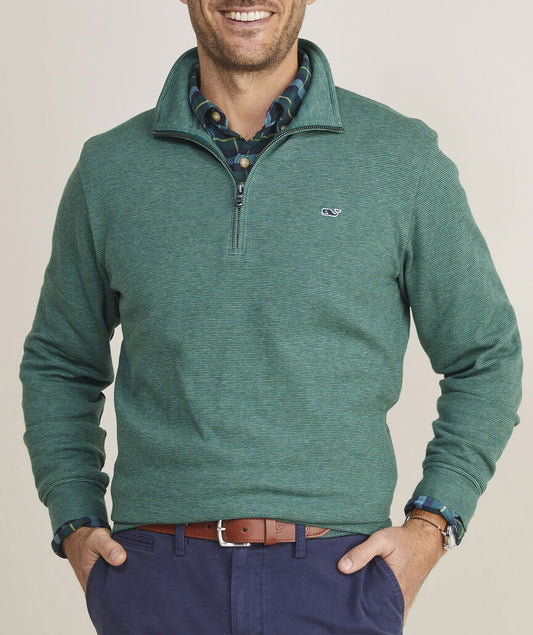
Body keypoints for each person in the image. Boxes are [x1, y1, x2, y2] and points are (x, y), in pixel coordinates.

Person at [19, 1, 522, 633]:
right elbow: (60, 363)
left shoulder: (401, 158)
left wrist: (434, 523)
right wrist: (74, 520)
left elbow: (486, 355)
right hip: (155, 580)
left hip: (338, 577)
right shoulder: (110, 168)